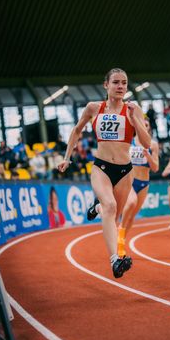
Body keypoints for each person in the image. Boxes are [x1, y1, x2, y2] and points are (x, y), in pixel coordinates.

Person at [58, 68, 150, 278]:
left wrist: (134, 119)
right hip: (101, 167)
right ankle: (115, 260)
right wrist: (67, 157)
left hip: (126, 171)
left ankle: (97, 207)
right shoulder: (93, 108)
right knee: (111, 207)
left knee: (113, 214)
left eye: (124, 83)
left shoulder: (133, 109)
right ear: (106, 85)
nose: (120, 87)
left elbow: (146, 143)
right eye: (116, 82)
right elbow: (77, 130)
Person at [118, 116, 159, 256]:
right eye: (142, 124)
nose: (144, 126)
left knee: (131, 217)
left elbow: (155, 168)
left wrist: (148, 156)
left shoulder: (153, 145)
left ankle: (121, 241)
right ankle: (119, 234)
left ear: (149, 128)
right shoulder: (129, 142)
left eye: (146, 125)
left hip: (144, 183)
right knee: (131, 203)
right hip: (130, 180)